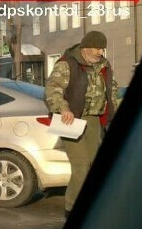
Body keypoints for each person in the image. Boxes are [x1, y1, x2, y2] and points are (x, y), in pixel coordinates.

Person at [44, 30, 119, 218]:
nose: (100, 52)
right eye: (97, 48)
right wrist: (63, 109)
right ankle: (71, 207)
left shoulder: (104, 65)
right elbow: (53, 89)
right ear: (86, 48)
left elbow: (112, 90)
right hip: (72, 120)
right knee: (82, 165)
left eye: (102, 49)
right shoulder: (67, 64)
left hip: (95, 120)